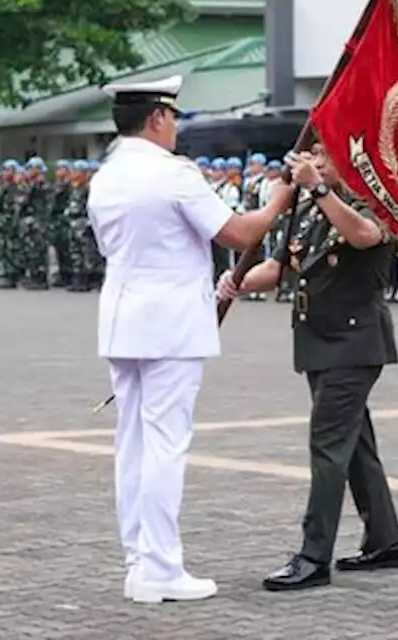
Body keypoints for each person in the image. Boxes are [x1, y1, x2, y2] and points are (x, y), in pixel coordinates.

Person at [87, 75, 293, 604]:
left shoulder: (106, 175)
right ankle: (160, 567)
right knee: (164, 445)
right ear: (157, 117)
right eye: (173, 116)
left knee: (131, 445)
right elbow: (240, 234)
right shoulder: (172, 174)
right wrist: (277, 202)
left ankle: (139, 561)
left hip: (123, 320)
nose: (176, 127)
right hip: (170, 325)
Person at [216, 143, 398, 593]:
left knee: (327, 448)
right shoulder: (309, 207)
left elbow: (362, 235)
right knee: (355, 443)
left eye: (326, 156)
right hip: (318, 340)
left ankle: (313, 556)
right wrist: (235, 283)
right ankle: (384, 540)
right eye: (313, 155)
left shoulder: (373, 202)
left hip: (354, 342)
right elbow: (281, 268)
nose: (315, 163)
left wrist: (319, 189)